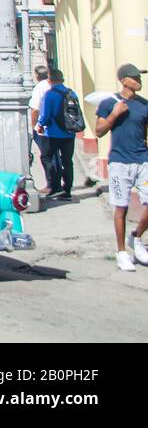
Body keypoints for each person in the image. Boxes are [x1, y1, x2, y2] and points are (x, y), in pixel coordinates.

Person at [94, 64, 148, 272]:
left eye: (139, 77)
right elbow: (99, 131)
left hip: (142, 160)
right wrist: (114, 114)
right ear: (123, 80)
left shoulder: (144, 104)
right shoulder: (110, 103)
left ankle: (136, 237)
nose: (139, 80)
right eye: (135, 77)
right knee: (121, 207)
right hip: (119, 162)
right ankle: (121, 252)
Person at [36, 68, 76, 201]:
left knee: (47, 157)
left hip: (53, 133)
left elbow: (45, 115)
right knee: (67, 161)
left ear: (49, 80)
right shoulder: (71, 93)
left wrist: (40, 125)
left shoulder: (49, 94)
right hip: (69, 133)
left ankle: (55, 186)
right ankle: (67, 191)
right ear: (62, 80)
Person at [27, 65, 52, 179]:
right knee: (54, 154)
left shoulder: (39, 88)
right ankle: (57, 181)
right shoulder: (51, 85)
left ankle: (51, 182)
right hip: (55, 125)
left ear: (37, 75)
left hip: (42, 127)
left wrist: (34, 126)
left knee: (46, 156)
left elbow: (35, 110)